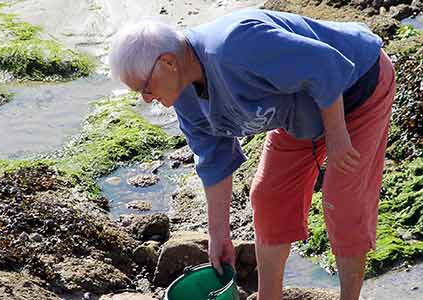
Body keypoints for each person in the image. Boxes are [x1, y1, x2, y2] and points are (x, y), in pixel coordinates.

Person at [108, 9, 396, 300]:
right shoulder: (184, 94)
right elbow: (214, 157)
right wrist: (218, 234)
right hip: (299, 111)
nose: (146, 99)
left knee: (341, 199)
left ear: (168, 62)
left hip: (357, 88)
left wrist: (336, 134)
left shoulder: (236, 45)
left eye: (145, 88)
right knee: (268, 194)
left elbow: (325, 66)